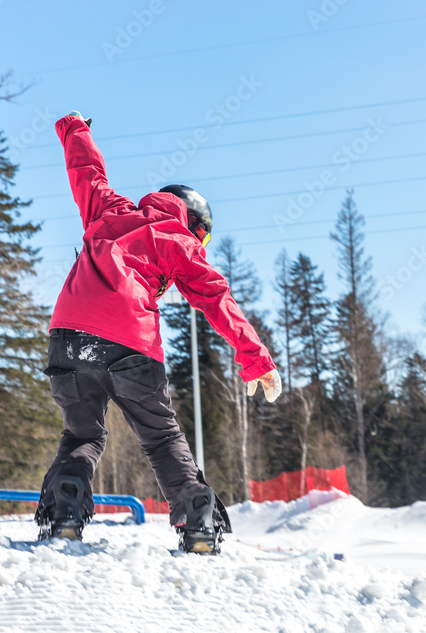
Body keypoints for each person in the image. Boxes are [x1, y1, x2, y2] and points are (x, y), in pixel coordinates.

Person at [35, 111, 281, 554]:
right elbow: (216, 300)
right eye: (201, 238)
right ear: (193, 223)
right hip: (130, 342)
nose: (199, 245)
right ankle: (198, 521)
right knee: (162, 437)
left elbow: (87, 171)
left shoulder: (109, 210)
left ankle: (65, 512)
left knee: (83, 435)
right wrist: (256, 361)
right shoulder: (179, 240)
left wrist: (75, 127)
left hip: (69, 337)